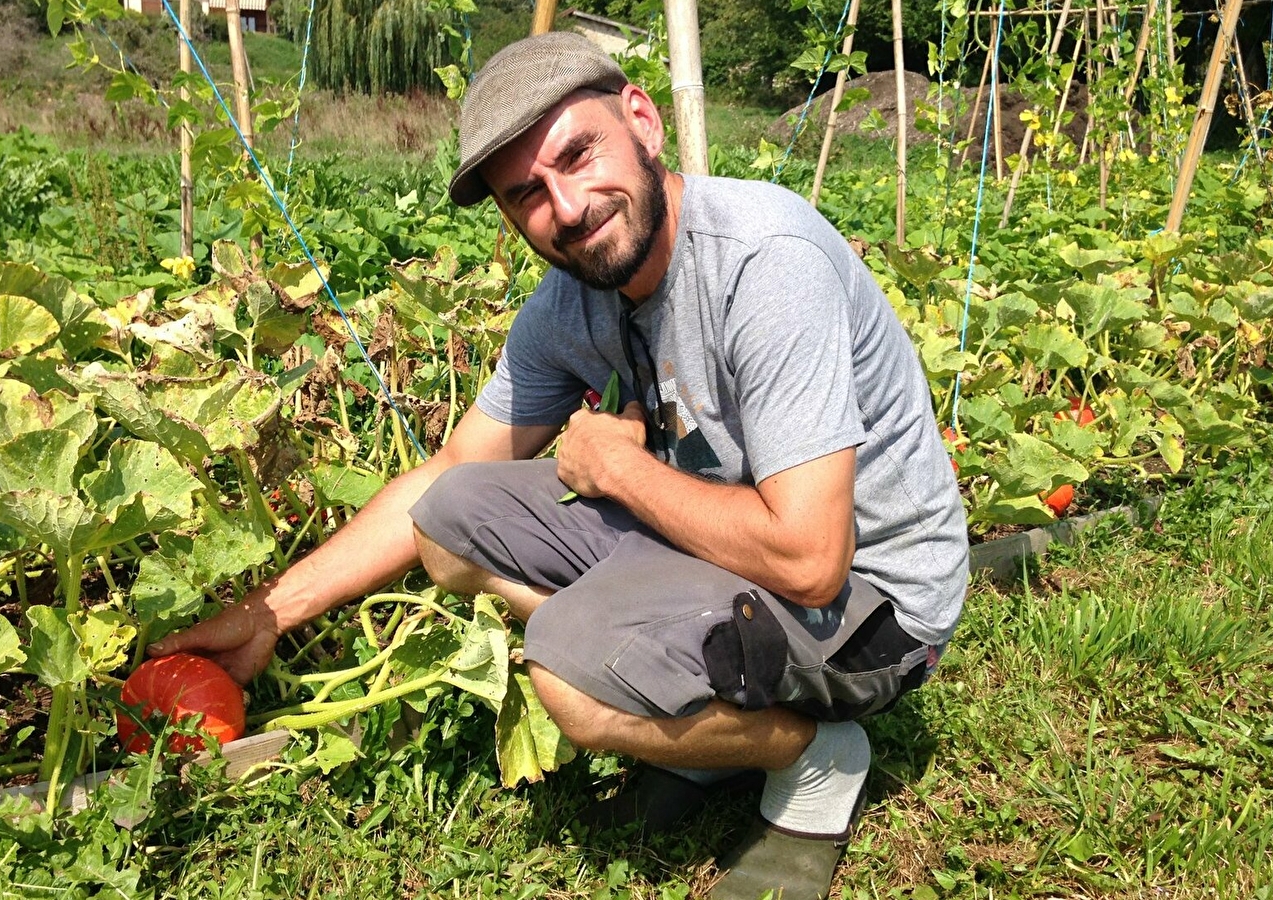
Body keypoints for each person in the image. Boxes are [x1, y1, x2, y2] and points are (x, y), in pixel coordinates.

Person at [150, 32, 969, 899]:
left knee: (570, 680)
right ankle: (693, 713)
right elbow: (448, 477)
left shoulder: (763, 264)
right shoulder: (571, 302)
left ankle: (815, 760)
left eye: (579, 154)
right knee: (453, 524)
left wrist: (620, 471)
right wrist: (274, 610)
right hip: (729, 551)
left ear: (643, 121)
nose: (568, 207)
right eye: (528, 194)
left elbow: (810, 560)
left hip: (874, 607)